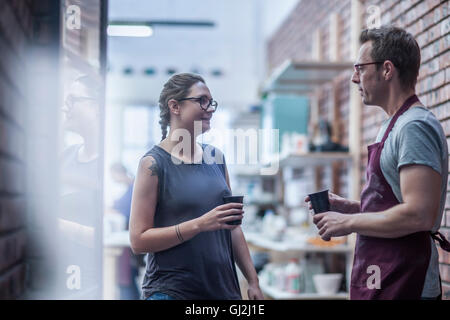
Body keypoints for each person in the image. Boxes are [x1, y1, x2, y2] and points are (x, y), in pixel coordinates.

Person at [305, 26, 450, 300]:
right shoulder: (392, 125)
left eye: (360, 68)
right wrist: (353, 209)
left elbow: (419, 215)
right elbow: (397, 207)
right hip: (386, 276)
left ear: (386, 70)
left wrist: (348, 223)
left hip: (407, 281)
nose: (353, 78)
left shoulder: (414, 126)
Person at [129, 73, 264, 300]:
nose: (210, 108)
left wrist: (252, 281)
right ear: (175, 106)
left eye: (211, 102)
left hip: (223, 291)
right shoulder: (153, 164)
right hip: (172, 292)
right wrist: (200, 224)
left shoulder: (216, 158)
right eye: (202, 100)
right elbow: (138, 240)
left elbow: (232, 227)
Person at [108, 163, 142, 300]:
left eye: (113, 175)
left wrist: (113, 210)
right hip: (128, 241)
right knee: (128, 277)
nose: (113, 179)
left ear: (118, 173)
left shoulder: (134, 188)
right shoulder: (130, 188)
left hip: (129, 241)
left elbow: (128, 212)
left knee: (125, 278)